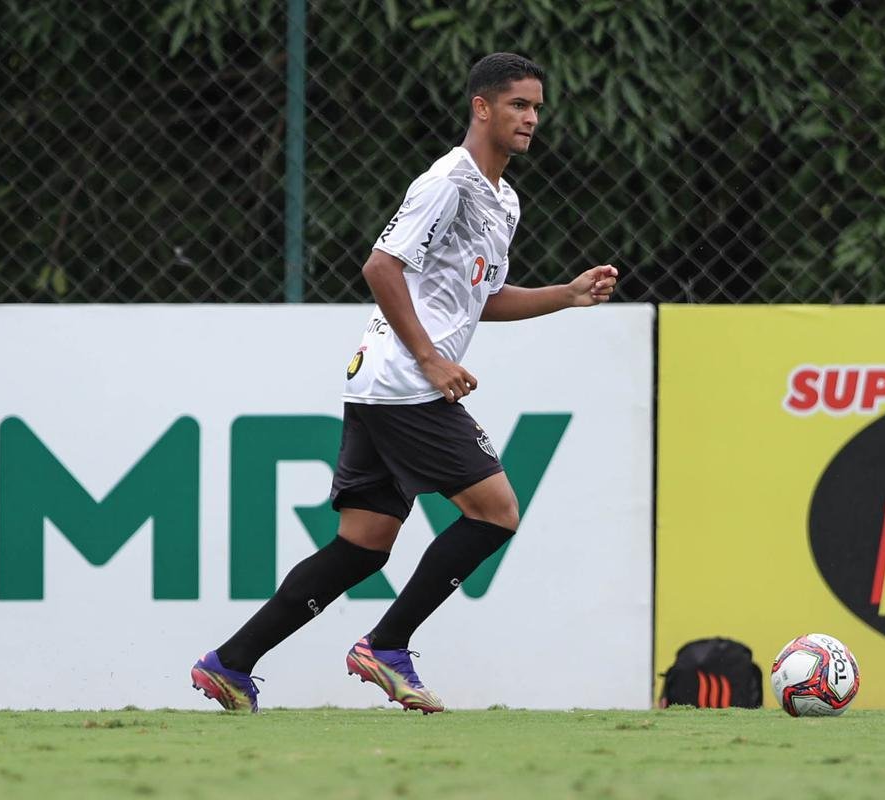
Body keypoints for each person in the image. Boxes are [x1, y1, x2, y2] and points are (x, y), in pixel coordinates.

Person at [191, 52, 618, 713]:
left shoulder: (503, 199)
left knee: (362, 546)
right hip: (405, 384)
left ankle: (230, 663)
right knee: (496, 512)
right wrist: (430, 359)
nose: (531, 118)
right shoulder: (447, 182)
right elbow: (380, 267)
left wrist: (565, 294)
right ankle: (386, 646)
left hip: (380, 385)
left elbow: (482, 299)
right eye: (518, 105)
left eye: (536, 107)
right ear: (482, 107)